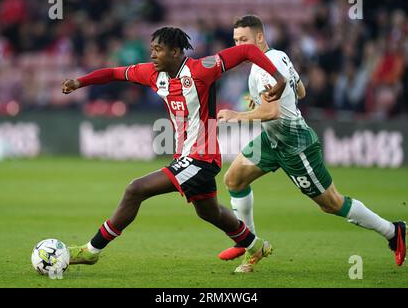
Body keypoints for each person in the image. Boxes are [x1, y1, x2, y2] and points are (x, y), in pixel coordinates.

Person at [62, 26, 288, 273]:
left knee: (135, 189)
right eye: (152, 50)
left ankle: (91, 250)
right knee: (209, 212)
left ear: (176, 52)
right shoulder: (152, 74)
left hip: (201, 158)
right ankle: (255, 246)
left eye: (158, 50)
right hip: (186, 157)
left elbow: (245, 50)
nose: (152, 55)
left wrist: (279, 77)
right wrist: (80, 82)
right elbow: (114, 73)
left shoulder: (202, 69)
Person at [217, 15, 408, 266]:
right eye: (235, 41)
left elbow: (272, 112)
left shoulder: (265, 67)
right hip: (273, 139)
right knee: (234, 179)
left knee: (331, 203)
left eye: (244, 40)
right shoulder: (278, 56)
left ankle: (393, 232)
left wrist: (236, 115)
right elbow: (301, 90)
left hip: (296, 145)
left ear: (260, 37)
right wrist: (266, 100)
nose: (238, 46)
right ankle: (249, 244)